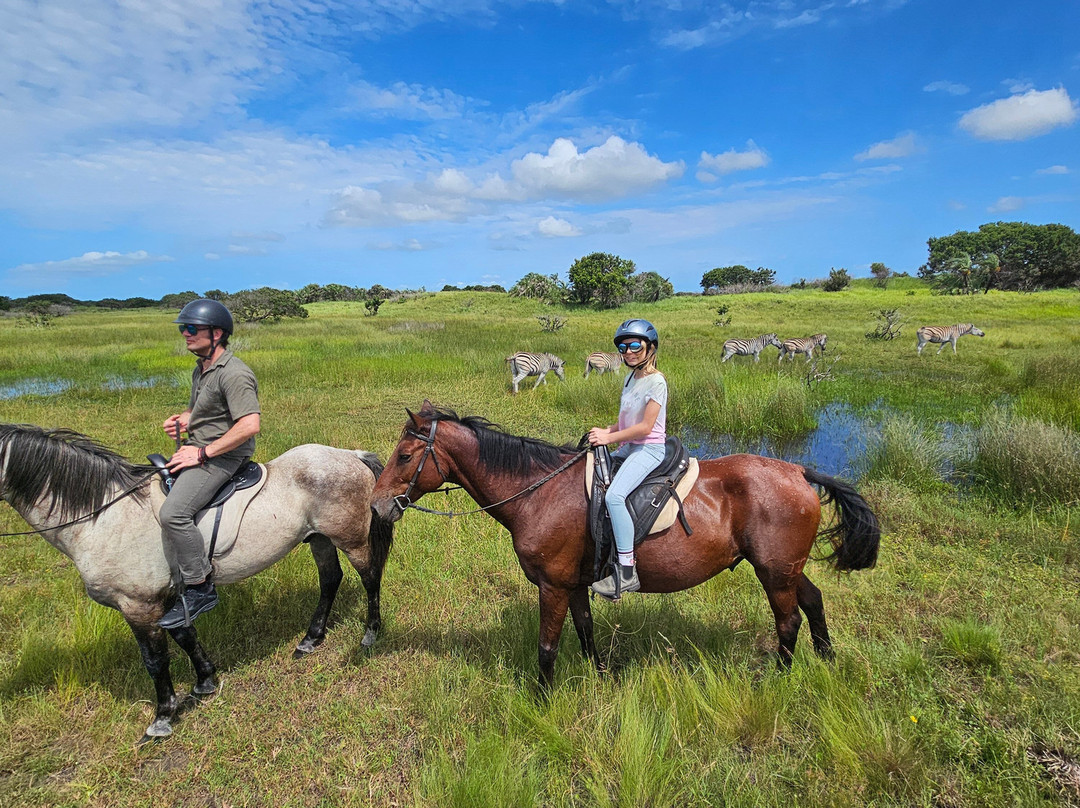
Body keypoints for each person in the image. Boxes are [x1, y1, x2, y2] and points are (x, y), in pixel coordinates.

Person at [158, 299, 260, 629]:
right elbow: (206, 411)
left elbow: (249, 425)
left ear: (217, 334)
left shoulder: (235, 374)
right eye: (183, 328)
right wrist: (185, 420)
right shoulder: (202, 369)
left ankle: (200, 587)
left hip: (224, 456)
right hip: (201, 447)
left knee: (173, 513)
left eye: (192, 329)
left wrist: (201, 454)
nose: (185, 334)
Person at [587, 319, 668, 599]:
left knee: (614, 497)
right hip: (628, 446)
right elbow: (625, 423)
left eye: (635, 345)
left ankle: (626, 571)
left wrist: (610, 438)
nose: (629, 352)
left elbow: (645, 427)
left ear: (650, 347)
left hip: (648, 449)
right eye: (623, 347)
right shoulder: (630, 377)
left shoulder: (657, 381)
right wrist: (605, 431)